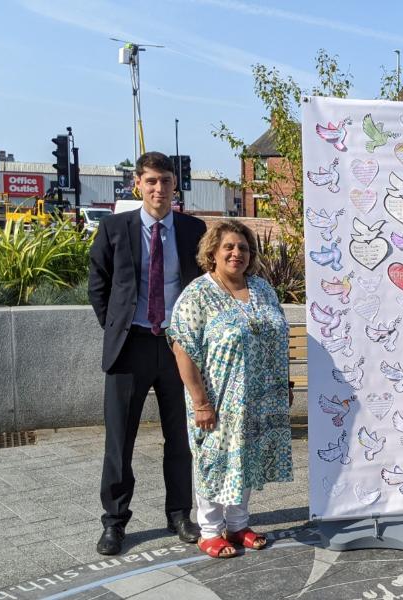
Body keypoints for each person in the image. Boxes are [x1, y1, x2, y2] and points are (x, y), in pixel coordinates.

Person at [89, 152, 208, 555]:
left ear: (176, 186)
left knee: (181, 438)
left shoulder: (194, 230)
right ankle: (115, 522)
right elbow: (98, 285)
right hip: (131, 346)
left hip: (179, 348)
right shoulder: (114, 228)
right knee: (120, 440)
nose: (160, 189)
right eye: (152, 181)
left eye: (167, 181)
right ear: (138, 183)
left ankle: (179, 513)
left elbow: (206, 283)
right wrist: (117, 327)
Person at [167, 220, 293, 558]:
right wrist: (201, 402)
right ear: (213, 252)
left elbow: (278, 337)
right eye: (229, 247)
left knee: (245, 459)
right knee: (214, 461)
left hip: (259, 397)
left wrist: (284, 385)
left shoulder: (263, 289)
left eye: (243, 248)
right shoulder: (198, 294)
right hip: (217, 399)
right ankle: (210, 530)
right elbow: (182, 348)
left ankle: (237, 525)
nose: (237, 253)